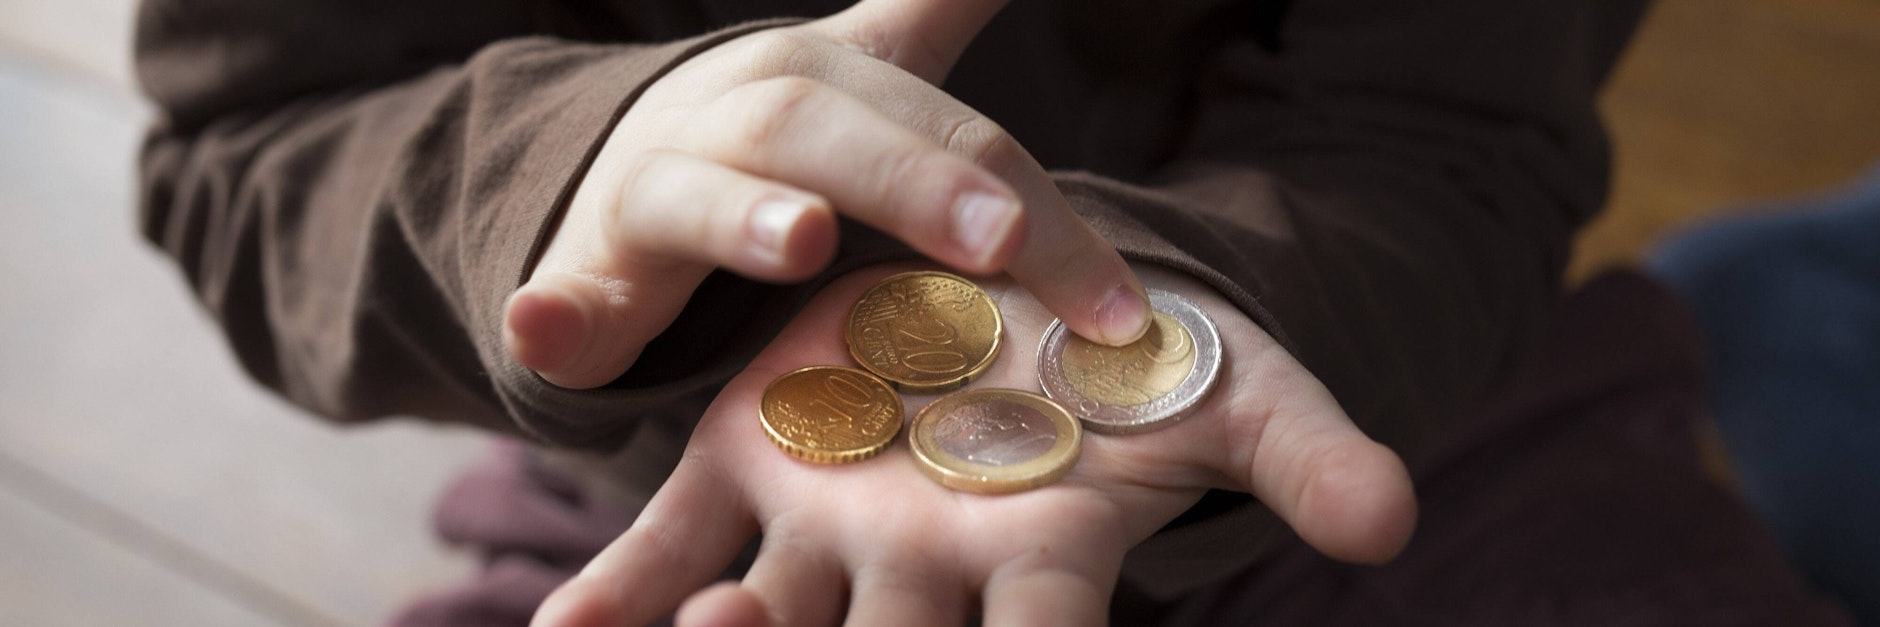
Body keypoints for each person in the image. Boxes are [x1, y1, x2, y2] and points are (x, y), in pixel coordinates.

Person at [134, 0, 1850, 624]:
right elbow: (251, 153)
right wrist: (565, 178)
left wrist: (1199, 290)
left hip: (1393, 399)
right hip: (701, 504)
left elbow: (1446, 134)